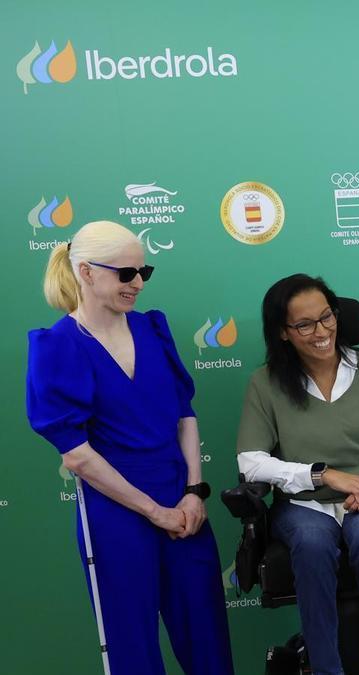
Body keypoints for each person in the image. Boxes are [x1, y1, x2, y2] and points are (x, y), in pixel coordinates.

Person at [26, 220, 234, 674]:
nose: (138, 283)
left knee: (208, 639)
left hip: (185, 508)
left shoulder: (153, 329)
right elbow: (76, 454)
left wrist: (194, 494)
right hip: (115, 517)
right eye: (126, 274)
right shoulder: (57, 346)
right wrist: (154, 512)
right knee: (132, 647)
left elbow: (185, 414)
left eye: (144, 272)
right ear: (85, 272)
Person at [236, 274, 359, 675]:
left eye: (327, 317)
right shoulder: (265, 383)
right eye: (305, 325)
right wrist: (323, 476)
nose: (321, 332)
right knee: (313, 545)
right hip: (305, 504)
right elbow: (251, 460)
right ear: (283, 332)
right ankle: (325, 668)